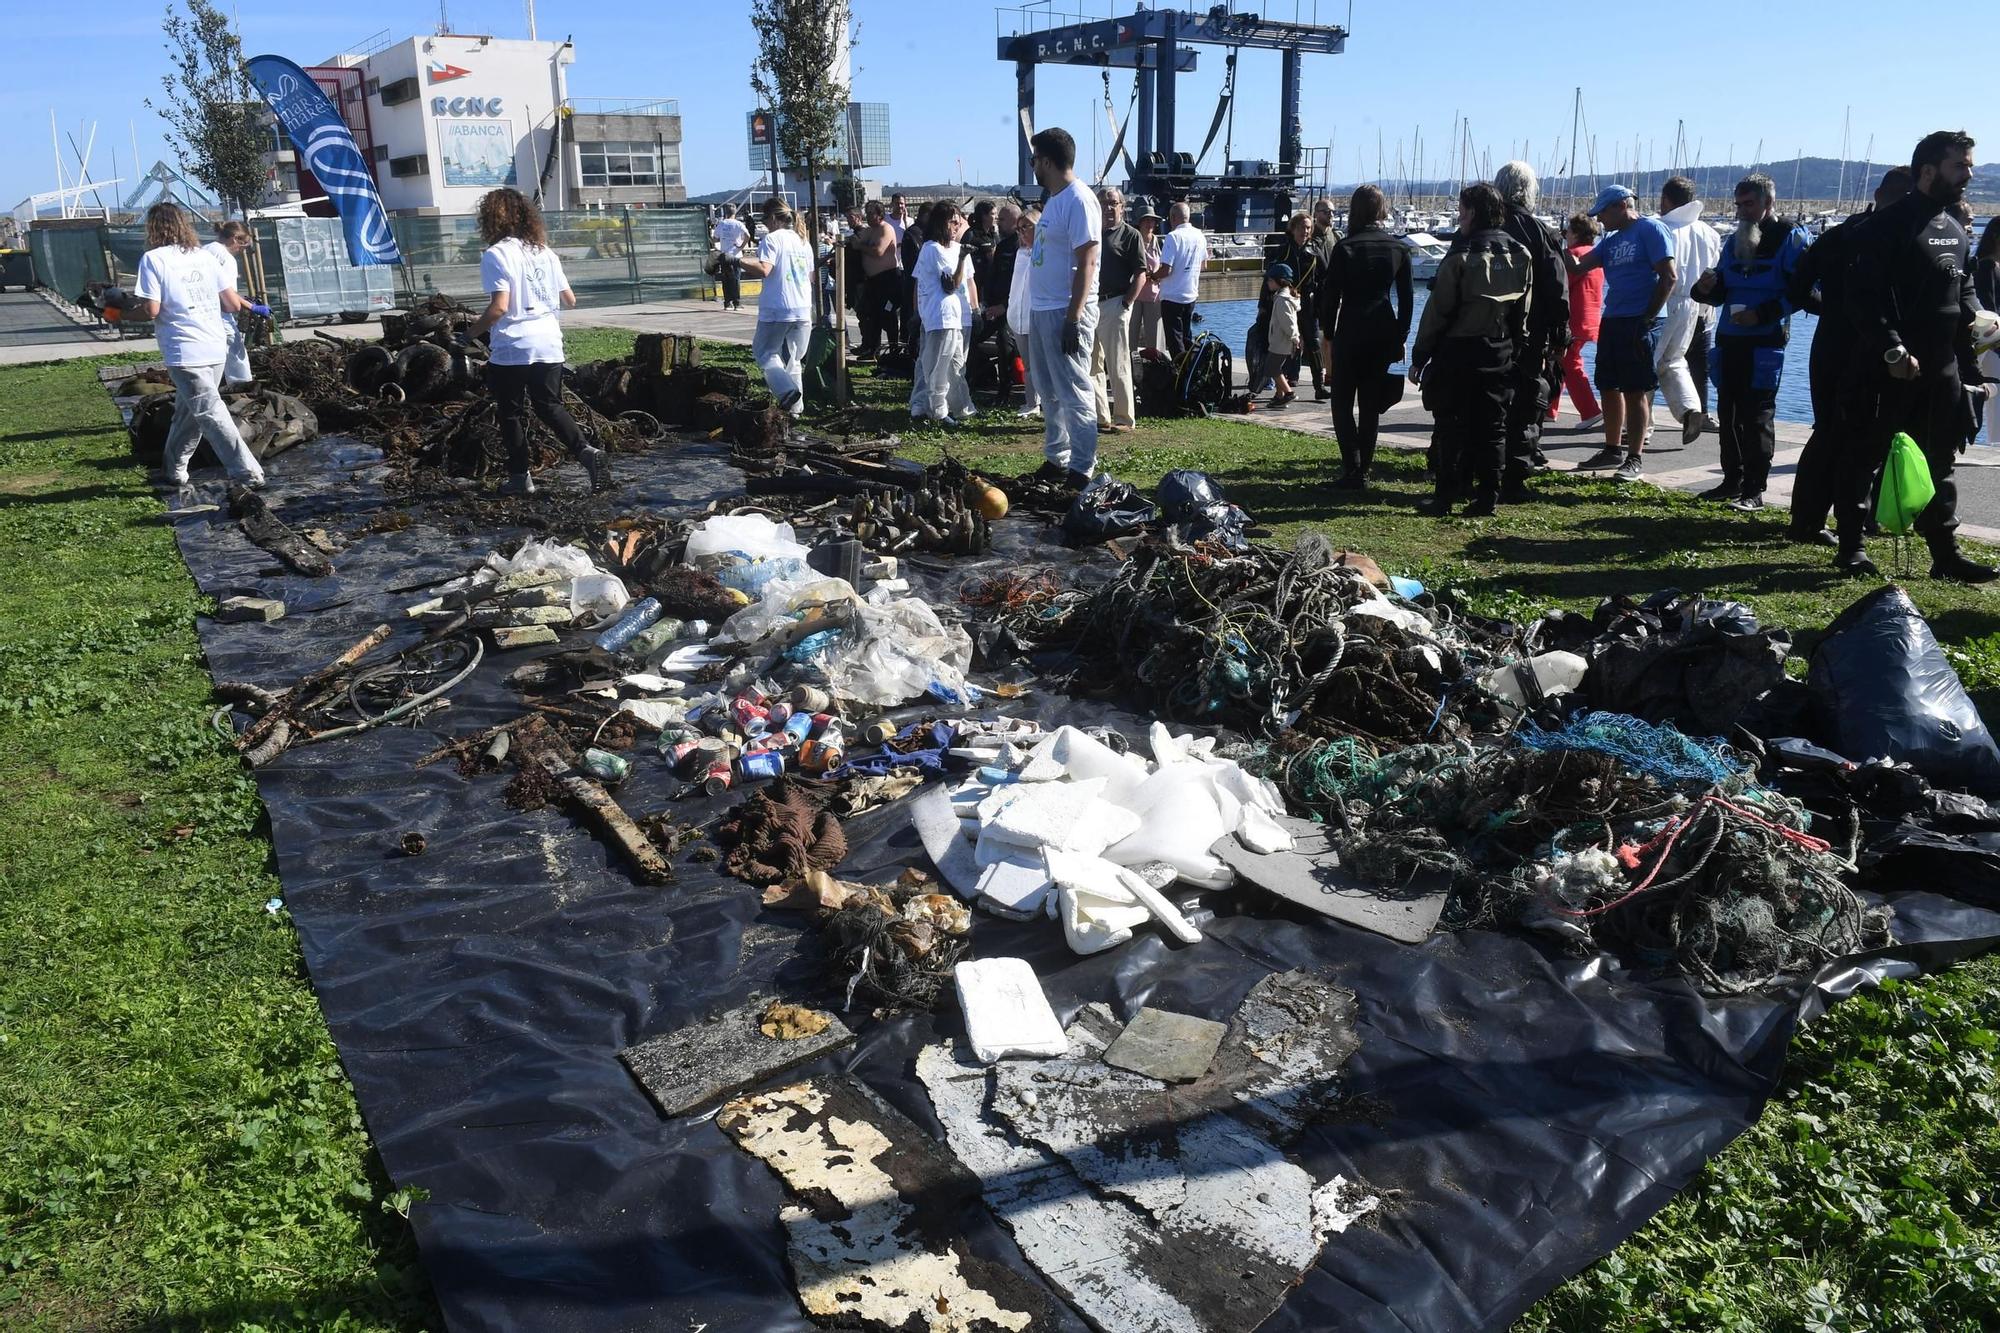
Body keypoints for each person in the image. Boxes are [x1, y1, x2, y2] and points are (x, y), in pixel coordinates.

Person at [1835, 130, 1994, 581]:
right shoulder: (1886, 227)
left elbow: (1961, 289)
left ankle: (1945, 555)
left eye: (1969, 166)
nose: (1968, 174)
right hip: (1886, 365)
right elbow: (1861, 299)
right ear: (1928, 171)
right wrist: (1891, 347)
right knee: (1864, 455)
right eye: (1959, 166)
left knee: (1939, 460)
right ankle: (1852, 548)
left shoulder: (1955, 229)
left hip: (1939, 365)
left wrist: (1984, 322)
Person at [1785, 167, 1913, 546]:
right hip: (1861, 347)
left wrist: (1832, 311)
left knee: (1837, 434)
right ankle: (1835, 520)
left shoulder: (1841, 234)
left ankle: (1820, 519)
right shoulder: (1887, 238)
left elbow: (1797, 289)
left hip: (1836, 342)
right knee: (1848, 436)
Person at [463, 188, 608, 497]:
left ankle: (520, 477)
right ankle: (586, 452)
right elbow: (570, 299)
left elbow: (500, 307)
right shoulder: (544, 251)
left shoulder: (496, 254)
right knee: (550, 406)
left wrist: (469, 334)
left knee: (510, 413)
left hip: (513, 346)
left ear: (491, 219)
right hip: (549, 343)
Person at [1409, 183, 1534, 517]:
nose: (1459, 216)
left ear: (1473, 212)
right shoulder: (1521, 254)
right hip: (1499, 349)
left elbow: (1437, 312)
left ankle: (1445, 496)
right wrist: (1515, 348)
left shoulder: (1461, 256)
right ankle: (1488, 495)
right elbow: (1522, 314)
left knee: (1451, 425)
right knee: (1493, 427)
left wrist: (1420, 356)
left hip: (1458, 351)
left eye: (1462, 210)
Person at [1687, 175, 1811, 512]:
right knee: (1727, 413)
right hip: (1729, 337)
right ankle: (1732, 480)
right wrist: (1706, 287)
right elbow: (1721, 290)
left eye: (1749, 204)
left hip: (1764, 339)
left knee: (1756, 416)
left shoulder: (1790, 236)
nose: (1742, 211)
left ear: (1768, 203)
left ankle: (1754, 489)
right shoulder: (1733, 240)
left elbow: (1804, 291)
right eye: (1739, 204)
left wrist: (1764, 314)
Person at [134, 202, 266, 492]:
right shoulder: (205, 257)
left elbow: (152, 310)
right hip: (214, 345)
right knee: (188, 411)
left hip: (184, 350)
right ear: (184, 225)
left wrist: (126, 311)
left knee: (208, 410)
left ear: (153, 228)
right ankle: (174, 469)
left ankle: (247, 472)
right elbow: (231, 304)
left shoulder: (153, 259)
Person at [1566, 184, 1677, 481]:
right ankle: (1611, 448)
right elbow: (1578, 268)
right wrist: (1554, 246)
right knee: (1608, 385)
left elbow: (1669, 277)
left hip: (1640, 319)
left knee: (1635, 388)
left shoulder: (1651, 230)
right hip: (1613, 318)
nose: (1599, 220)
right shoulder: (1612, 239)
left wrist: (1648, 317)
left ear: (1621, 206)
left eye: (1602, 212)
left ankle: (1634, 456)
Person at [1320, 183, 1413, 488]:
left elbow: (1330, 295)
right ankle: (1365, 467)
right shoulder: (1399, 249)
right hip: (1383, 328)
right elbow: (1407, 298)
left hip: (1351, 328)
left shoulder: (1345, 248)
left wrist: (1328, 333)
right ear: (1382, 210)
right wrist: (1400, 335)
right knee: (1370, 405)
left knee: (1342, 403)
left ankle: (1352, 466)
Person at [1024, 127, 1101, 487]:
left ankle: (1082, 468)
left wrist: (1073, 317)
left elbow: (1087, 261)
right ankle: (1058, 458)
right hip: (1042, 309)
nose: (1032, 166)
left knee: (1074, 390)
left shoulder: (1079, 200)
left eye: (1034, 159)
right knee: (1048, 390)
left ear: (1048, 161)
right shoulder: (1054, 200)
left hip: (1064, 311)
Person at [1492, 162, 1570, 500]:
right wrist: (1560, 333)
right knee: (1526, 404)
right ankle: (1515, 475)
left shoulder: (1483, 228)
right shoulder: (1540, 232)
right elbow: (1557, 287)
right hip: (1529, 331)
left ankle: (1477, 468)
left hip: (1485, 329)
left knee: (1487, 403)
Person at [1655, 176, 1724, 446]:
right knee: (1674, 360)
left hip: (1666, 299)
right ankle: (1691, 409)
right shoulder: (1709, 232)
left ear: (1666, 200)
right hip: (1696, 303)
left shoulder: (1662, 228)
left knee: (1648, 363)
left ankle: (1642, 426)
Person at [737, 196, 815, 418]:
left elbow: (764, 270)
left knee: (765, 352)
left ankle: (786, 392)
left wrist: (737, 260)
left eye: (764, 219)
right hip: (802, 308)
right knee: (794, 358)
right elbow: (809, 276)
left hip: (778, 307)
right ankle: (796, 410)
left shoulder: (772, 239)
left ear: (772, 217)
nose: (765, 223)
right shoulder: (803, 241)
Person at [911, 200, 977, 424]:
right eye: (952, 222)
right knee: (937, 365)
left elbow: (968, 282)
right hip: (940, 316)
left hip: (955, 316)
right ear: (941, 223)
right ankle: (936, 411)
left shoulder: (954, 248)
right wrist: (960, 260)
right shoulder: (932, 249)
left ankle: (961, 408)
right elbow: (950, 285)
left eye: (958, 223)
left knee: (955, 364)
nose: (956, 227)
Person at [1091, 187, 1145, 432]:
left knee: (1118, 363)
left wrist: (1127, 303)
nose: (1108, 208)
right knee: (1092, 364)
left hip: (1116, 302)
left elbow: (1141, 273)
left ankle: (1124, 419)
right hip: (1090, 303)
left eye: (1113, 203)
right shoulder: (1091, 233)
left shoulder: (1131, 235)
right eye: (1103, 203)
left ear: (1122, 206)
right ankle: (1100, 416)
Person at [1264, 211, 1330, 399]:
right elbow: (1269, 278)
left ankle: (1319, 386)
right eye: (1302, 228)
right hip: (1286, 301)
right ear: (1293, 229)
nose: (1305, 231)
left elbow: (1325, 276)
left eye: (1308, 228)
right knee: (1283, 343)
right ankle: (1284, 385)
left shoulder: (1315, 250)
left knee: (1313, 343)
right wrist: (1264, 305)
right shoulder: (1283, 249)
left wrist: (1323, 301)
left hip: (1308, 303)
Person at [1548, 213, 1604, 430]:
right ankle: (1549, 409)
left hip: (1574, 320)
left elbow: (1560, 285)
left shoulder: (1572, 256)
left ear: (1577, 233)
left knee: (1569, 363)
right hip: (1590, 319)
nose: (1565, 235)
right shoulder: (1594, 255)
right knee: (1559, 360)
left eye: (1568, 232)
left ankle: (1590, 411)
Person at [203, 220, 256, 387]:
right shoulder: (226, 258)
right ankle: (242, 388)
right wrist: (252, 307)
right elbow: (228, 296)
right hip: (219, 313)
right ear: (234, 239)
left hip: (201, 312)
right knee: (235, 351)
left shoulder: (205, 250)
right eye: (242, 246)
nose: (241, 251)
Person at [848, 200, 900, 357]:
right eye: (867, 213)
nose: (868, 217)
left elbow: (878, 251)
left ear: (880, 214)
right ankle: (872, 349)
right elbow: (856, 240)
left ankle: (894, 350)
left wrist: (859, 246)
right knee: (872, 316)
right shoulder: (870, 230)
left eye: (871, 213)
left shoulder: (886, 228)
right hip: (872, 281)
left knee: (888, 316)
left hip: (887, 279)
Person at [1154, 202, 1205, 357]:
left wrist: (1152, 276)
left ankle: (1180, 374)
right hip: (1190, 295)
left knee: (1175, 341)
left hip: (1172, 297)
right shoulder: (1200, 235)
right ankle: (1190, 371)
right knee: (1186, 337)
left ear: (1173, 218)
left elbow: (1166, 270)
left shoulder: (1173, 236)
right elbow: (1204, 266)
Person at [1004, 204, 1041, 416]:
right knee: (1027, 364)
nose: (1022, 232)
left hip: (1036, 315)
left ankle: (1043, 401)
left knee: (1040, 363)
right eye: (1019, 228)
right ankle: (1031, 402)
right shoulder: (1020, 253)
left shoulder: (1045, 253)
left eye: (1026, 227)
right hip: (1018, 315)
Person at [1257, 262, 1302, 408]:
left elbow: (1289, 323)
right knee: (1278, 368)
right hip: (1280, 340)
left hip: (1281, 341)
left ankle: (1288, 393)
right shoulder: (1282, 297)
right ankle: (1279, 396)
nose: (1267, 283)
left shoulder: (1282, 301)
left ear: (1279, 281)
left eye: (1270, 280)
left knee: (1272, 368)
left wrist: (1295, 338)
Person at [1976, 217, 2000, 446]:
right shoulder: (1986, 266)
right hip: (1991, 341)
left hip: (1993, 340)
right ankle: (1996, 442)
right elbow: (1989, 307)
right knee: (1995, 388)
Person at [1130, 205, 1165, 353]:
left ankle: (1156, 367)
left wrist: (1155, 275)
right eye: (1146, 221)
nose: (1150, 224)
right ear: (1140, 222)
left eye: (1152, 221)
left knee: (1154, 337)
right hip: (1134, 294)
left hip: (1154, 296)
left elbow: (1166, 267)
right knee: (1130, 334)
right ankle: (1130, 366)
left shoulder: (1160, 243)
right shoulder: (1132, 241)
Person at [714, 204, 749, 310]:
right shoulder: (739, 224)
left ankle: (727, 303)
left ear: (725, 212)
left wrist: (721, 243)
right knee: (736, 279)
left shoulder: (722, 223)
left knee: (726, 279)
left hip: (724, 254)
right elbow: (748, 236)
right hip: (735, 254)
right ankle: (737, 303)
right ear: (735, 212)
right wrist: (741, 246)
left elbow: (714, 238)